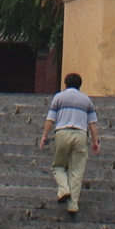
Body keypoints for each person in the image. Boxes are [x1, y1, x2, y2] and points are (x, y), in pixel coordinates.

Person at [39, 72, 99, 214]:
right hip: (80, 134)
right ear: (80, 85)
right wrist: (95, 141)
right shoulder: (86, 100)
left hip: (62, 133)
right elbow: (92, 122)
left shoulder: (59, 97)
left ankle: (64, 189)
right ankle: (73, 205)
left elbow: (51, 119)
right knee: (77, 171)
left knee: (58, 166)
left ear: (65, 84)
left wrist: (44, 136)